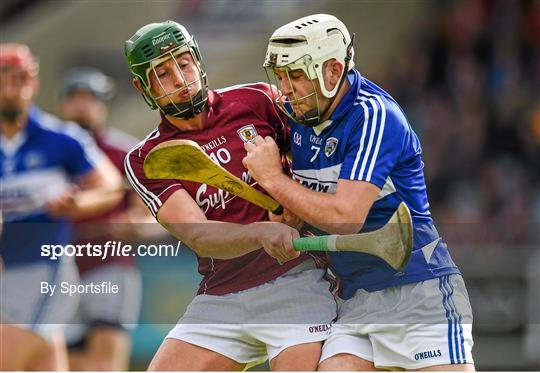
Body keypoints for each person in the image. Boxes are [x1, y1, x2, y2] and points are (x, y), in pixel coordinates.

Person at [243, 14, 475, 371]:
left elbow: (345, 217)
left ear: (333, 71)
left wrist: (275, 180)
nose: (285, 89)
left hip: (417, 291)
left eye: (297, 76)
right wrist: (283, 219)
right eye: (281, 77)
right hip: (355, 299)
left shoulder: (373, 115)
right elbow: (299, 207)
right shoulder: (300, 119)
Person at [123, 20, 336, 371]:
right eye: (162, 73)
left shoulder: (257, 101)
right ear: (142, 86)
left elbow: (321, 165)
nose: (179, 78)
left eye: (184, 63)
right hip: (222, 293)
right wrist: (260, 232)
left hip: (296, 279)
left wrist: (295, 195)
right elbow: (199, 235)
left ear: (198, 60)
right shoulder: (147, 157)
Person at [0, 43, 123, 370]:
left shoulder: (61, 138)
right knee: (42, 362)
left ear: (33, 84)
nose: (11, 90)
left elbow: (110, 186)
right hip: (5, 274)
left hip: (47, 269)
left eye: (19, 80)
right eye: (3, 80)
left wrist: (77, 203)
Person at [58, 66, 158, 370]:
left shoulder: (124, 154)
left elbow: (159, 218)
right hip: (62, 272)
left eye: (89, 98)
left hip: (109, 266)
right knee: (64, 360)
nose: (82, 106)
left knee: (106, 360)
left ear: (103, 105)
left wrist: (136, 228)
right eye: (75, 98)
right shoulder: (52, 153)